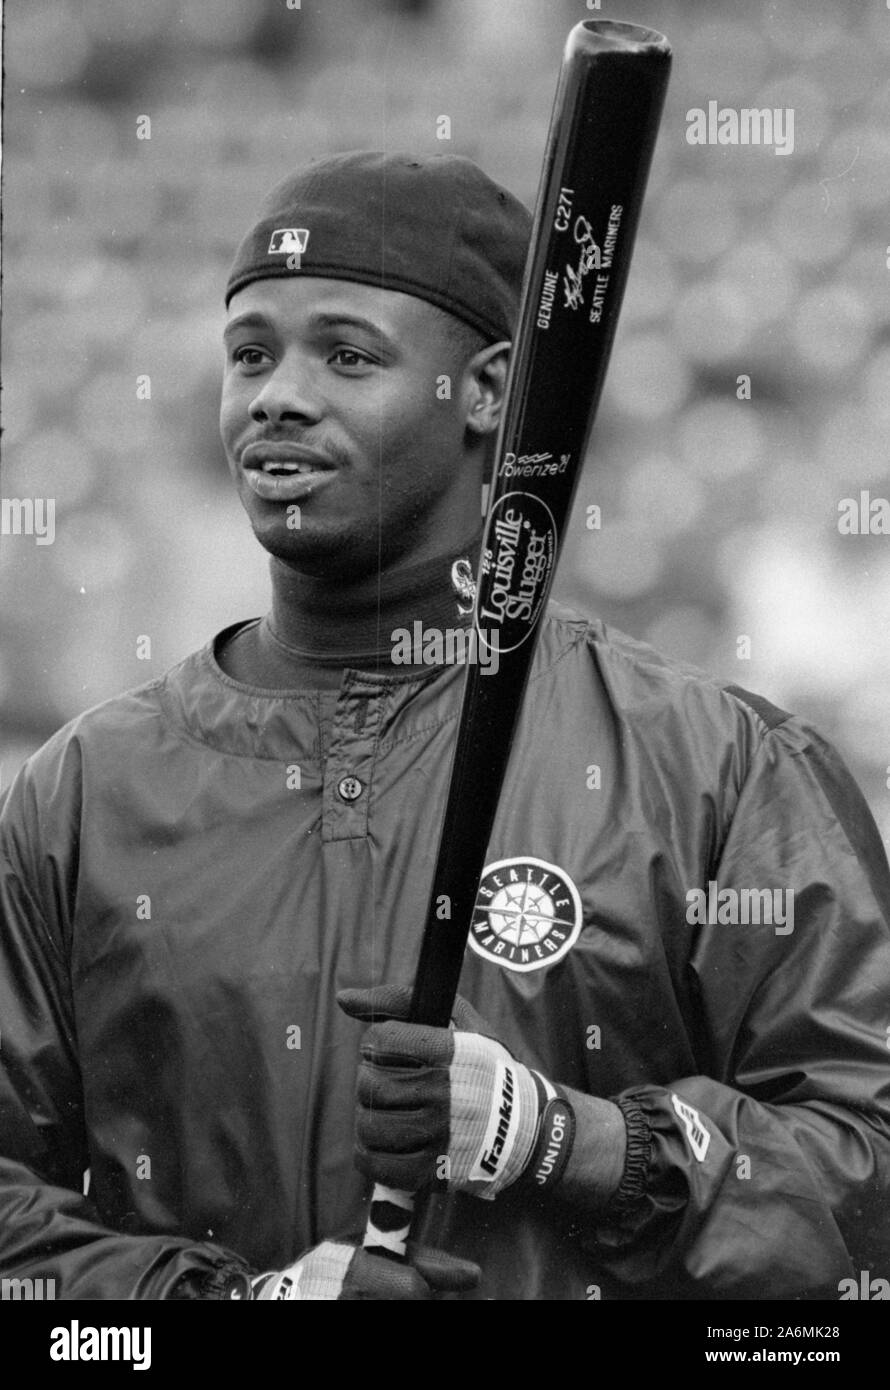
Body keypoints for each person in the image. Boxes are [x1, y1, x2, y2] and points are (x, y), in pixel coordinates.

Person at [1, 151, 888, 1301]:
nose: (275, 393)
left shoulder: (713, 764)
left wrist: (560, 1138)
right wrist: (234, 1304)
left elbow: (861, 1197)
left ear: (485, 392)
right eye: (249, 353)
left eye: (347, 354)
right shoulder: (85, 788)